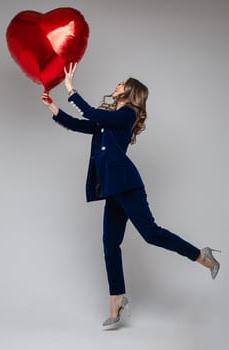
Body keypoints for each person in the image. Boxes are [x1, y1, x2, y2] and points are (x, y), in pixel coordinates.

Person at [41, 62, 221, 330]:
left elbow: (91, 113)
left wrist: (70, 88)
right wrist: (53, 109)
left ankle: (201, 255)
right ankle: (116, 298)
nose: (116, 86)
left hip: (126, 184)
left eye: (121, 84)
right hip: (113, 187)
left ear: (131, 92)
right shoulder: (110, 118)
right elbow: (82, 124)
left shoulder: (128, 114)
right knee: (110, 243)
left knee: (151, 233)